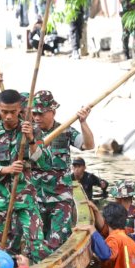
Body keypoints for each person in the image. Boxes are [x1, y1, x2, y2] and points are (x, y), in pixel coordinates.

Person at [0, 89, 50, 262]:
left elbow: (42, 163)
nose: (9, 116)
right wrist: (7, 170)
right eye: (5, 112)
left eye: (13, 112)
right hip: (0, 196)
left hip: (24, 195)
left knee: (36, 240)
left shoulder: (32, 129)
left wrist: (31, 139)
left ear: (20, 109)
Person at [31, 90, 94, 250]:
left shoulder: (65, 130)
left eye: (41, 113)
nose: (37, 117)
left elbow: (88, 145)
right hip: (37, 198)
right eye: (34, 113)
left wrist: (83, 122)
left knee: (57, 242)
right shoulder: (30, 133)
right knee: (38, 244)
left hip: (61, 198)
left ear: (53, 112)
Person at [78, 202, 135, 268]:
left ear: (106, 221)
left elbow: (106, 255)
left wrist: (93, 231)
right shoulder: (130, 241)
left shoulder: (114, 238)